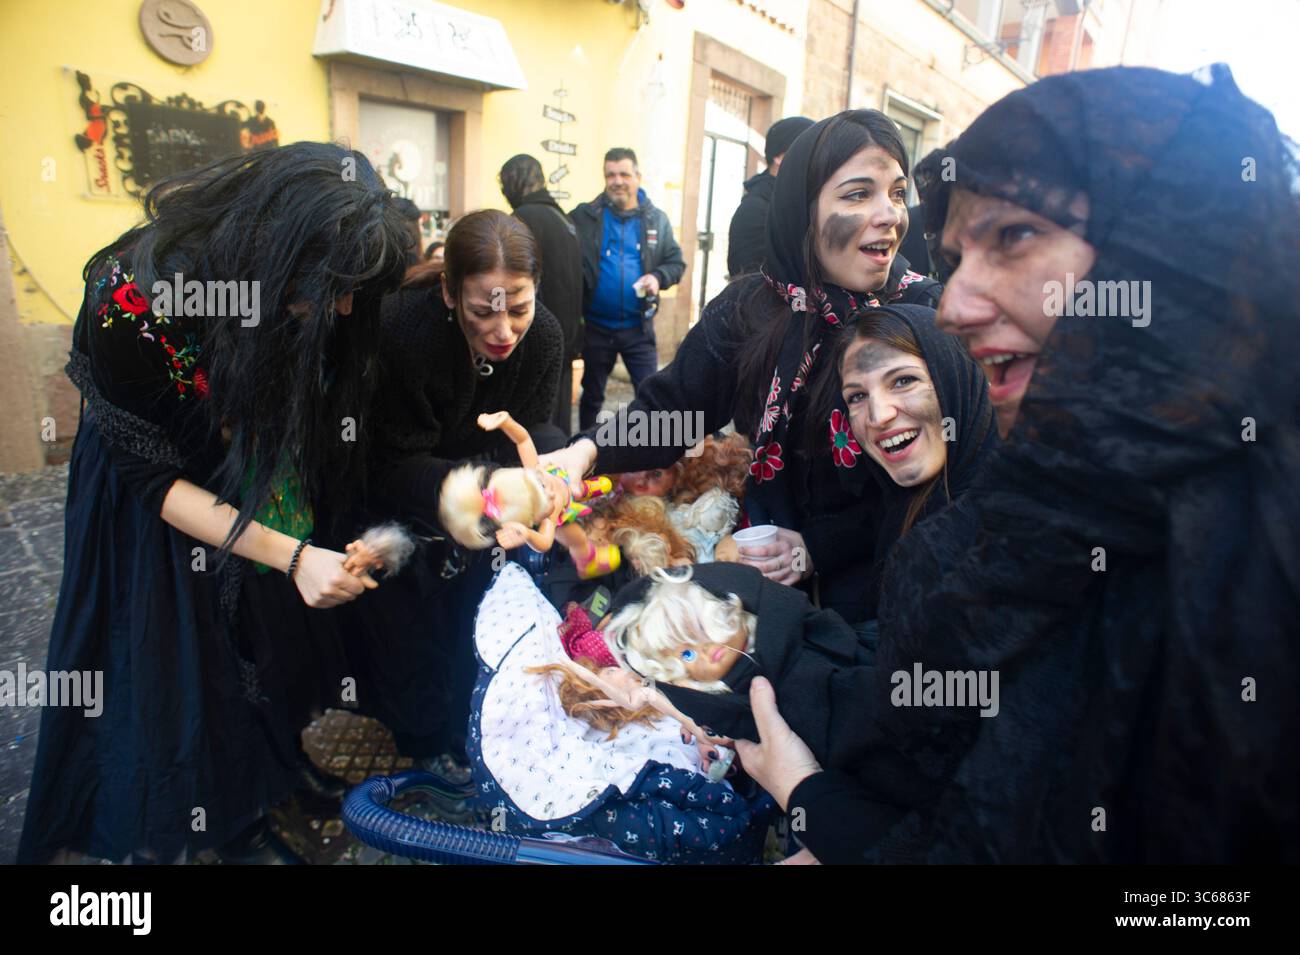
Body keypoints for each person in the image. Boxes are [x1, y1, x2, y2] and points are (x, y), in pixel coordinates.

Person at [736, 65, 1300, 864]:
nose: (957, 307)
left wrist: (809, 797)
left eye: (1014, 237)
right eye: (959, 255)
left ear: (1164, 252)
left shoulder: (1252, 568)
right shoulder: (1050, 496)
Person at [17, 143, 412, 865]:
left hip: (242, 466)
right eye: (332, 289)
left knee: (264, 638)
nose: (345, 308)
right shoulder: (133, 297)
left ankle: (272, 781)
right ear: (278, 252)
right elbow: (156, 483)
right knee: (179, 658)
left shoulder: (288, 281)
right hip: (154, 492)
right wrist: (292, 555)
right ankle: (219, 823)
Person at [544, 110, 941, 623]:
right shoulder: (752, 306)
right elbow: (676, 414)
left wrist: (816, 547)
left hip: (881, 592)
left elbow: (938, 485)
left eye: (898, 193)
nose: (890, 214)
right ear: (802, 210)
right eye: (859, 194)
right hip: (758, 566)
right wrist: (585, 452)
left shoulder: (924, 317)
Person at [340, 209, 564, 774]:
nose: (503, 331)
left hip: (485, 516)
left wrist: (547, 474)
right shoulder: (400, 330)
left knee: (474, 632)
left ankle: (470, 741)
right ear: (448, 290)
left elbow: (536, 428)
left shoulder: (545, 337)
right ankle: (420, 761)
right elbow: (387, 462)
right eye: (482, 311)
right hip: (398, 509)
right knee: (407, 645)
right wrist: (478, 485)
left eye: (519, 308)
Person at [571, 147, 686, 430]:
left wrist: (658, 277)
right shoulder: (585, 216)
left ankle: (646, 452)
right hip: (596, 328)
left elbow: (676, 263)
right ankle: (585, 447)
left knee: (651, 396)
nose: (617, 181)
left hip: (638, 330)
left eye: (624, 174)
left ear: (638, 177)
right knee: (592, 397)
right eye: (610, 175)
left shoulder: (656, 219)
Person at [500, 154, 584, 434]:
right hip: (566, 340)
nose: (504, 192)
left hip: (535, 340)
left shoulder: (522, 219)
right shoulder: (565, 219)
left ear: (515, 180)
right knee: (557, 424)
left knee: (531, 427)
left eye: (504, 183)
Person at [726, 116, 814, 278]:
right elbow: (747, 279)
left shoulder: (805, 202)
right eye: (808, 151)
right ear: (780, 157)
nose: (816, 159)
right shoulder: (755, 209)